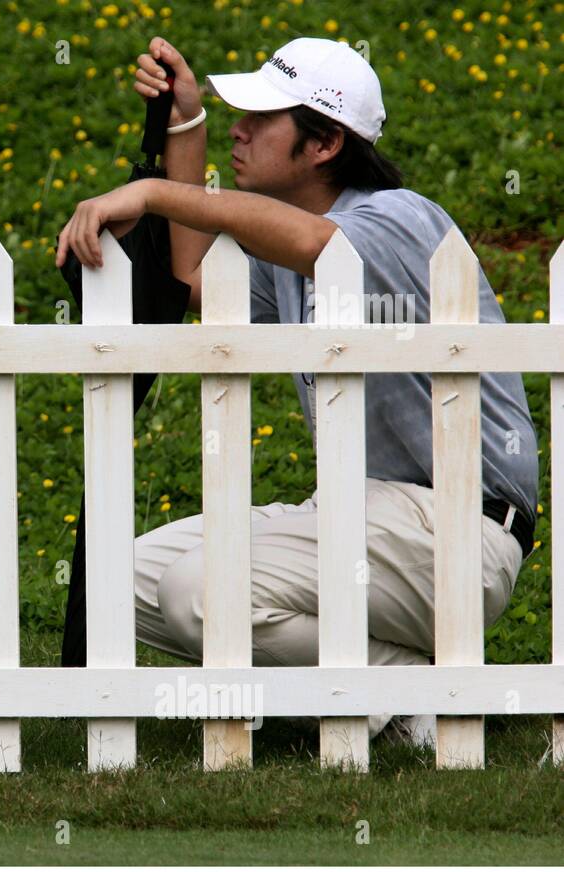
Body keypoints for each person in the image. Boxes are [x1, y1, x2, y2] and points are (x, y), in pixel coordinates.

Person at [54, 36, 538, 745]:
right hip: (359, 517)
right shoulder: (284, 252)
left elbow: (320, 246)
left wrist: (154, 192)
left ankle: (391, 698)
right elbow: (194, 277)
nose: (240, 131)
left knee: (199, 589)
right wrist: (187, 126)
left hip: (457, 529)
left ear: (325, 144)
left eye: (262, 118)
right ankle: (402, 688)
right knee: (114, 583)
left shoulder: (401, 217)